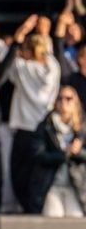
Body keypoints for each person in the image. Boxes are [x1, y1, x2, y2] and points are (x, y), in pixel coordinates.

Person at [0, 15, 61, 214]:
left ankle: (23, 209)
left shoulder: (25, 69)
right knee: (38, 175)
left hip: (25, 130)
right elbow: (47, 52)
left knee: (19, 175)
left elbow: (4, 54)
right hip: (45, 130)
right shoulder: (53, 67)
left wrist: (0, 36)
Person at [34, 85, 86, 217]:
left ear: (76, 102)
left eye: (69, 99)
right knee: (54, 218)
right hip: (51, 185)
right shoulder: (46, 126)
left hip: (76, 186)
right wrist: (64, 154)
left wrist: (78, 152)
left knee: (76, 219)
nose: (64, 102)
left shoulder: (81, 129)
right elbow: (39, 155)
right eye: (60, 98)